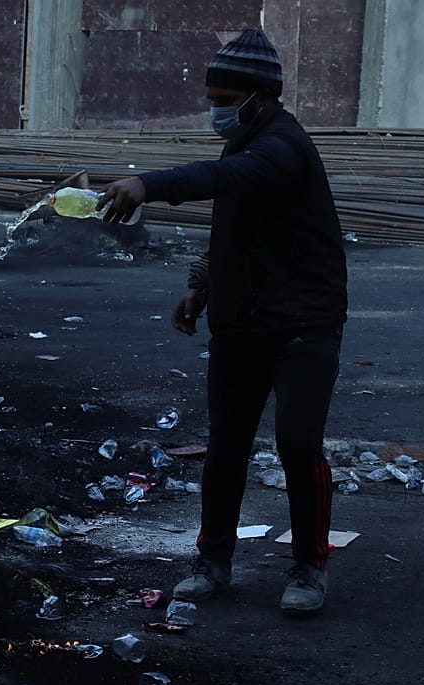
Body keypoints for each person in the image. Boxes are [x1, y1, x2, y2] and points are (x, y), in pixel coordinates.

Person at [99, 29, 348, 616]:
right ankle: (213, 561)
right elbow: (233, 226)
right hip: (242, 324)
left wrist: (148, 184)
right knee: (226, 448)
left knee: (297, 444)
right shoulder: (245, 148)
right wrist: (201, 286)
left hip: (301, 325)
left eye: (222, 98)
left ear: (259, 96)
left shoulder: (282, 148)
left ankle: (310, 569)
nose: (215, 109)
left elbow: (219, 182)